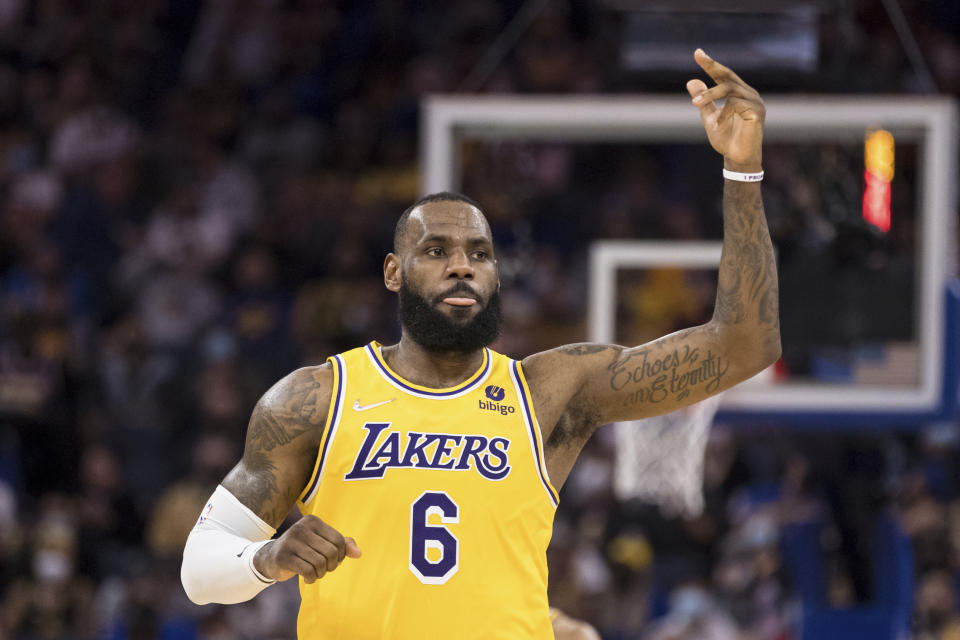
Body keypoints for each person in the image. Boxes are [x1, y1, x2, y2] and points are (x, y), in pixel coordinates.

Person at [181, 49, 780, 639]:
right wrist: (267, 560)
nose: (462, 267)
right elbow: (200, 569)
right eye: (436, 252)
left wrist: (743, 171)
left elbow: (743, 346)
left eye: (479, 254)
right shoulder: (315, 399)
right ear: (393, 272)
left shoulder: (549, 391)